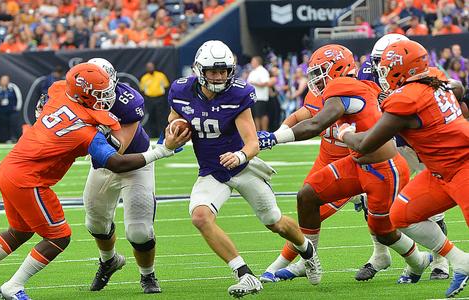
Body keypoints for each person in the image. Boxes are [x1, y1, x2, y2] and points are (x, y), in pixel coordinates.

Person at [0, 63, 190, 300]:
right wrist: (163, 150)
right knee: (59, 236)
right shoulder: (84, 131)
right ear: (85, 95)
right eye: (100, 93)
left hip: (8, 168)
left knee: (21, 230)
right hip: (29, 179)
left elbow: (55, 96)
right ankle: (13, 286)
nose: (108, 96)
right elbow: (116, 162)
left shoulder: (59, 92)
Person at [258, 44, 433, 285]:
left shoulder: (344, 85)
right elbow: (305, 117)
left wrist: (274, 138)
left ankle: (427, 259)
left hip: (383, 167)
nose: (316, 79)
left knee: (382, 228)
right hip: (354, 162)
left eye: (321, 71)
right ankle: (309, 259)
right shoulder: (341, 88)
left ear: (338, 68)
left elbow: (315, 125)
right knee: (307, 196)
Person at [168, 40, 322, 298]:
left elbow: (252, 143)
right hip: (212, 171)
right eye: (213, 72)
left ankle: (307, 251)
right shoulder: (181, 91)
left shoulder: (239, 94)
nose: (219, 77)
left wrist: (239, 156)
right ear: (199, 71)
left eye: (223, 71)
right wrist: (172, 135)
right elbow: (174, 122)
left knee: (275, 222)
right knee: (200, 217)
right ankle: (245, 274)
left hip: (243, 168)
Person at [339, 39, 469, 298]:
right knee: (401, 215)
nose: (384, 74)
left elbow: (365, 144)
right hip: (439, 172)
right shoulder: (434, 76)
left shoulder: (406, 98)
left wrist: (345, 133)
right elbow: (458, 88)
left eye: (387, 68)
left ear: (403, 69)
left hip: (463, 167)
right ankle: (461, 261)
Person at [358, 33, 450, 280]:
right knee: (373, 196)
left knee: (430, 205)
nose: (380, 68)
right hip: (391, 142)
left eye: (386, 61)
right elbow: (361, 108)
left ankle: (441, 261)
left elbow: (450, 93)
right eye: (378, 61)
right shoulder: (369, 70)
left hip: (423, 142)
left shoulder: (426, 70)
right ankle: (379, 254)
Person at [260, 91, 364, 283]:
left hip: (347, 165)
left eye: (321, 71)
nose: (316, 80)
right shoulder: (318, 95)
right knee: (305, 210)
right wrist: (279, 133)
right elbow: (298, 116)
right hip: (324, 161)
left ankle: (279, 266)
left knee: (384, 224)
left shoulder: (355, 94)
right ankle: (417, 259)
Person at [82, 58, 161, 294]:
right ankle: (108, 261)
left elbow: (118, 150)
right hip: (102, 165)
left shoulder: (128, 101)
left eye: (102, 87)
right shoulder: (75, 100)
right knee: (95, 222)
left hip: (135, 162)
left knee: (139, 230)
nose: (98, 95)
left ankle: (148, 275)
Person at [139, 62, 169, 138]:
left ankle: (162, 135)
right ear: (146, 68)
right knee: (151, 118)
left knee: (161, 118)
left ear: (154, 67)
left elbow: (166, 86)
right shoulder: (144, 78)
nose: (150, 68)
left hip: (160, 99)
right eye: (148, 67)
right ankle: (152, 136)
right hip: (150, 100)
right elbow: (142, 90)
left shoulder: (161, 75)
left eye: (151, 67)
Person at [0, 75, 22, 143]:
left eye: (5, 80)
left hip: (12, 110)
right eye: (2, 80)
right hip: (2, 111)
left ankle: (16, 138)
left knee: (13, 124)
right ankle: (6, 139)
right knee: (4, 125)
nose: (3, 81)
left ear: (8, 80)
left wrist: (17, 108)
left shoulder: (13, 87)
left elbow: (19, 98)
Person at [247, 56, 270, 131]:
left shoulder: (263, 71)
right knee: (256, 116)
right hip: (254, 98)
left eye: (253, 61)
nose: (251, 63)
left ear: (257, 62)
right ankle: (257, 131)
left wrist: (254, 83)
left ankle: (264, 131)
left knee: (262, 115)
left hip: (261, 97)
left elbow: (266, 83)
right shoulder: (253, 71)